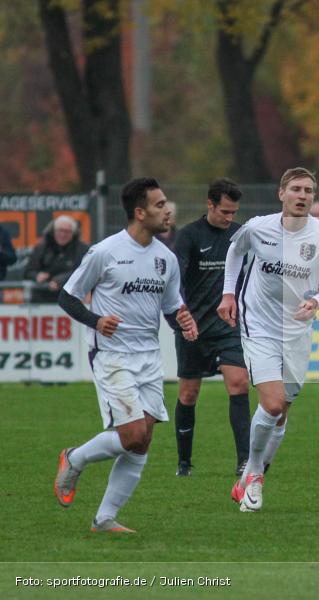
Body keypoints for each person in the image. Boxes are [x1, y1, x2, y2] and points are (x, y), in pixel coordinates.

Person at [54, 177, 198, 533]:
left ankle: (104, 519)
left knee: (142, 441)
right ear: (140, 212)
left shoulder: (166, 258)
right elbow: (68, 296)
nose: (168, 211)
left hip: (148, 356)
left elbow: (169, 307)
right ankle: (74, 458)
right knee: (133, 435)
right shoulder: (105, 252)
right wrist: (96, 320)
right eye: (160, 204)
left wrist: (182, 321)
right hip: (112, 355)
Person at [219, 167, 319, 513]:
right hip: (258, 323)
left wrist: (318, 300)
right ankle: (255, 475)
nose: (302, 195)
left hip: (297, 330)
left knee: (282, 411)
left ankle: (249, 473)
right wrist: (228, 294)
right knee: (272, 403)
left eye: (308, 190)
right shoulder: (258, 227)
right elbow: (235, 252)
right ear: (282, 194)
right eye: (296, 189)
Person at [172, 178, 250, 477]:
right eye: (225, 212)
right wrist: (180, 313)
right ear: (210, 205)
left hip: (229, 325)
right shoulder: (189, 235)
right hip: (194, 327)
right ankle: (184, 461)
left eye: (234, 212)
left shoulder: (241, 235)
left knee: (239, 383)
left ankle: (245, 461)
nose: (230, 218)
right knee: (189, 394)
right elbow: (175, 277)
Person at [23, 216, 90, 303]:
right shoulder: (41, 247)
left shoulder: (82, 249)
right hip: (41, 301)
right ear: (53, 231)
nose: (62, 235)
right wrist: (37, 276)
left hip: (71, 302)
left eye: (67, 232)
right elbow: (27, 271)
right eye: (60, 230)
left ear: (73, 233)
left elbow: (83, 271)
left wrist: (59, 280)